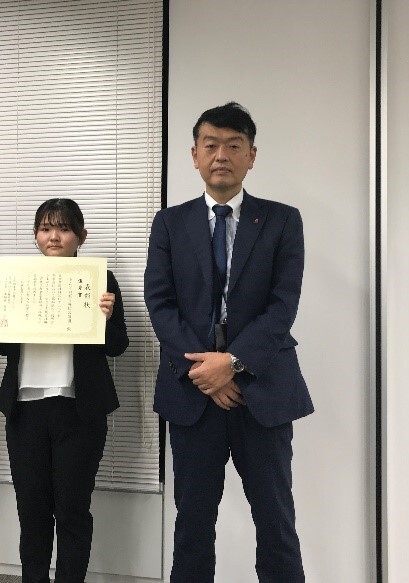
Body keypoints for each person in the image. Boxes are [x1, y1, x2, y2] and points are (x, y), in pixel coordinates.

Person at [144, 102, 314, 582]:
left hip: (263, 391)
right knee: (192, 523)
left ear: (251, 156)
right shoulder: (169, 223)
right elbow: (161, 303)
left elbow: (282, 306)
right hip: (193, 393)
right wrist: (206, 372)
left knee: (276, 521)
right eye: (211, 145)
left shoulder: (283, 221)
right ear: (194, 155)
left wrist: (233, 363)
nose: (222, 155)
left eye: (234, 145)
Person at [0, 198, 128, 583]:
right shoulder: (16, 277)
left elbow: (117, 346)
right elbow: (1, 346)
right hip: (25, 411)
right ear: (35, 235)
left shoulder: (101, 279)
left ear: (81, 236)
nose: (53, 237)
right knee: (32, 510)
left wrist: (107, 317)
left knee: (72, 510)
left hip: (80, 411)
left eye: (63, 228)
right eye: (45, 228)